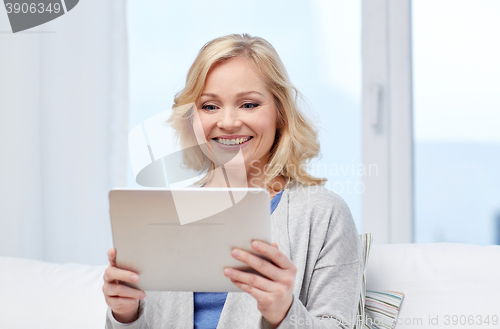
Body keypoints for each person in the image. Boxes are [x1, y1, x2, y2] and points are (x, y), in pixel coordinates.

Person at [103, 33, 362, 329]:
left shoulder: (322, 213)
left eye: (249, 104)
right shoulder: (165, 211)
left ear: (280, 114)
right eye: (210, 106)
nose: (227, 122)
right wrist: (126, 315)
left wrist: (284, 312)